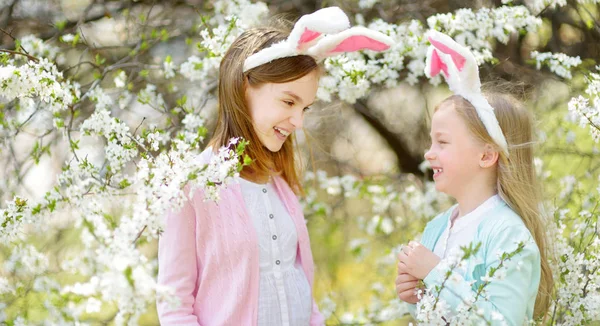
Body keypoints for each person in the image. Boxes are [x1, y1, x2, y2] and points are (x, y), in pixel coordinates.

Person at [157, 7, 393, 325]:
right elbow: (174, 308)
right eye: (288, 101)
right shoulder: (192, 185)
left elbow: (301, 290)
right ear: (244, 88)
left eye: (305, 107)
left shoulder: (280, 184)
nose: (297, 121)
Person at [395, 31, 553, 325]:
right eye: (432, 143)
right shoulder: (437, 227)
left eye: (442, 142)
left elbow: (504, 321)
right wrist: (415, 299)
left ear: (486, 155)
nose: (429, 154)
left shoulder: (507, 234)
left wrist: (434, 272)